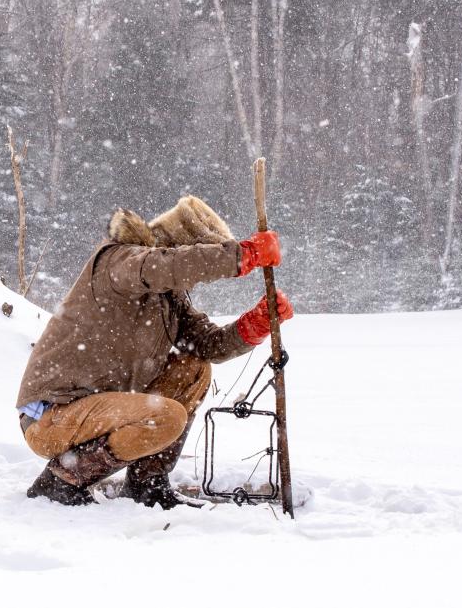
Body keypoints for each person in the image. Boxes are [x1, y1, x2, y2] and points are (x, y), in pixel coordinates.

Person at [16, 196, 294, 509]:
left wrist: (255, 323)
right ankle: (63, 480)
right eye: (196, 259)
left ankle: (147, 483)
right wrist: (242, 256)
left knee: (194, 369)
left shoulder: (168, 298)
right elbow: (164, 266)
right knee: (166, 416)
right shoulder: (118, 261)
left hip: (103, 410)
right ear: (180, 248)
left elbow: (208, 345)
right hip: (53, 415)